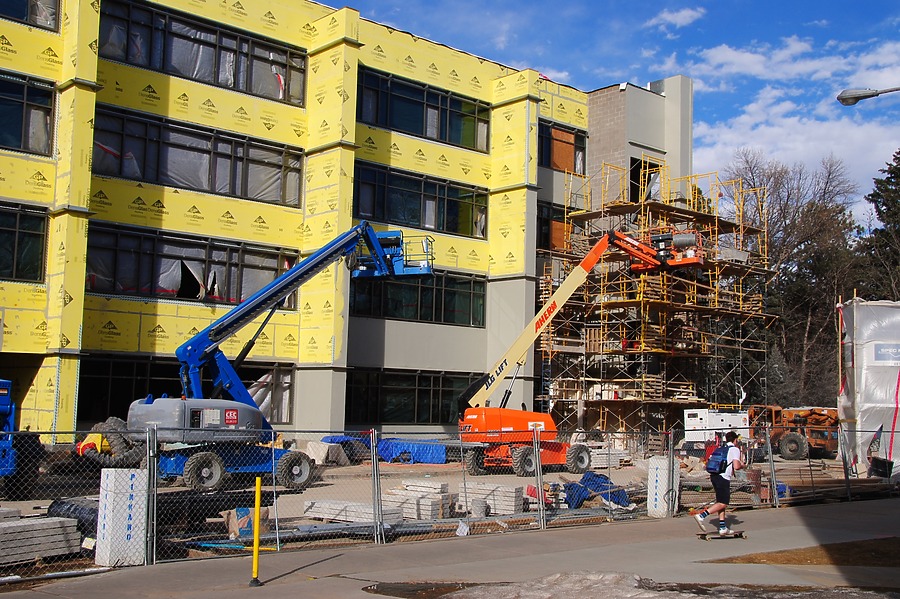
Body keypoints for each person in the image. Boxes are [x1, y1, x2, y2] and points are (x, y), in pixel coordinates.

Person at [694, 430, 744, 535]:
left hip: (714, 476)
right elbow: (736, 466)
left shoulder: (721, 448)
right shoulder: (735, 449)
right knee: (723, 503)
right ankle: (701, 516)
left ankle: (722, 528)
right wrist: (743, 465)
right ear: (735, 440)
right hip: (723, 477)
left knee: (720, 502)